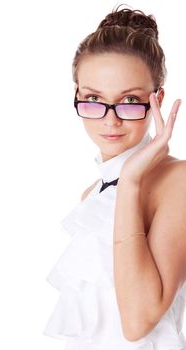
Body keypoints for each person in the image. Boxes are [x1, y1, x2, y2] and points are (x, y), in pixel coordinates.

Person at [43, 5, 186, 349]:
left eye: (130, 100)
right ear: (77, 95)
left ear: (157, 100)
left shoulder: (178, 181)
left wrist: (132, 181)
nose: (110, 121)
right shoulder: (92, 195)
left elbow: (138, 322)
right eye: (93, 98)